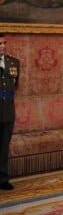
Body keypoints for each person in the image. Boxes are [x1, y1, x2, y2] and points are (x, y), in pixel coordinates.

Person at [0, 34, 20, 190]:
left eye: (4, 43)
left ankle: (3, 179)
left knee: (4, 146)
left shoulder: (13, 63)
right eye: (0, 43)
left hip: (7, 111)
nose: (3, 46)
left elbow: (15, 86)